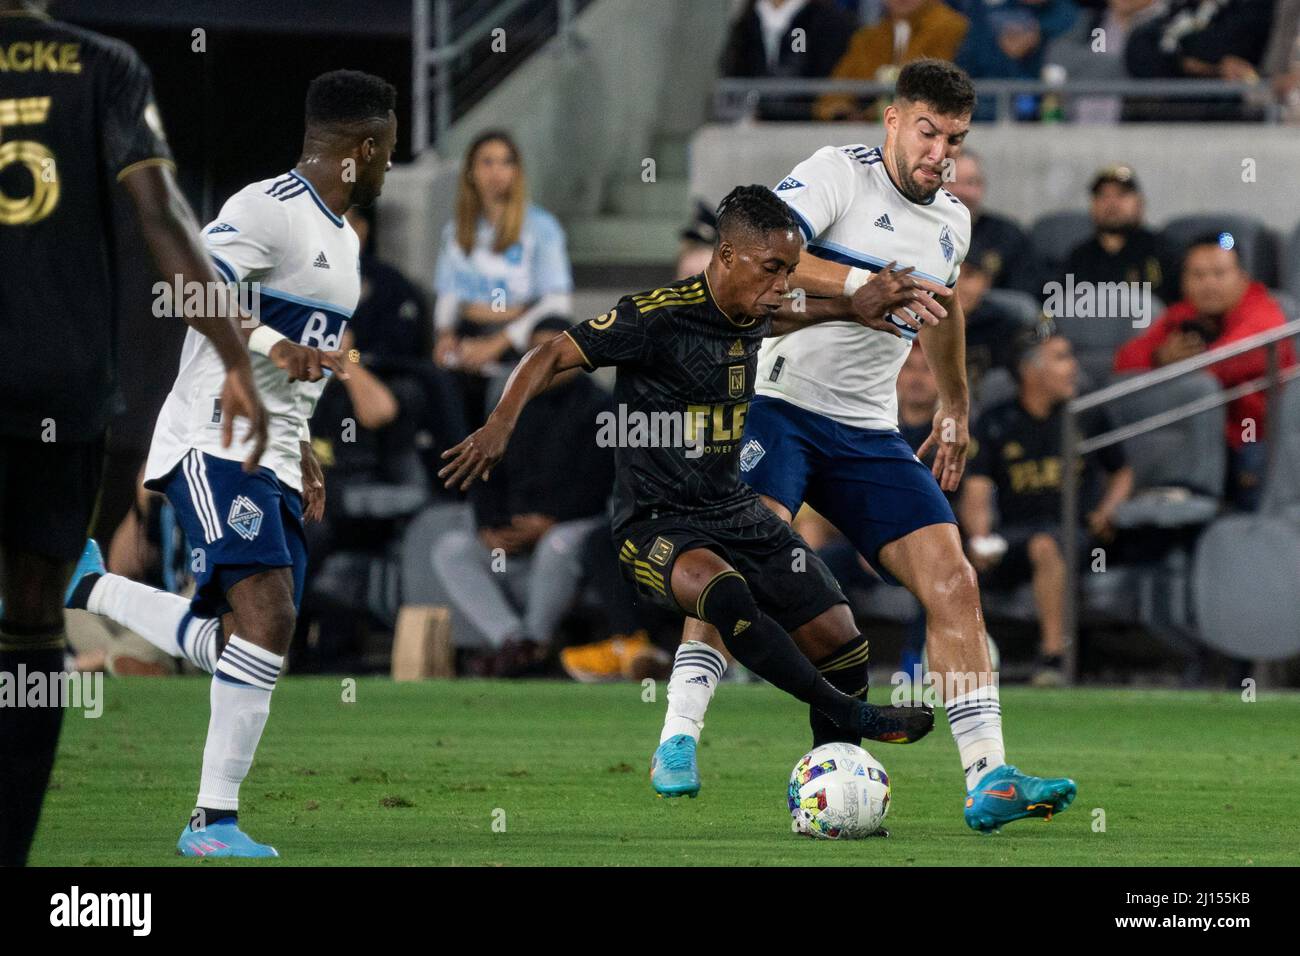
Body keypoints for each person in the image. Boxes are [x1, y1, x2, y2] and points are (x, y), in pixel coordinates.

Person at [652, 60, 1077, 834]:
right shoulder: (833, 175)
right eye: (927, 131)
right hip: (777, 404)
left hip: (867, 428)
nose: (939, 152)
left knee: (954, 579)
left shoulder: (953, 220)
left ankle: (989, 776)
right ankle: (678, 733)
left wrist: (953, 401)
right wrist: (857, 289)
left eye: (954, 138)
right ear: (892, 120)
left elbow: (941, 311)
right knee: (735, 561)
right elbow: (764, 254)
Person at [440, 186, 952, 827]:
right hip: (652, 523)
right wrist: (499, 425)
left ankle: (834, 789)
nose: (782, 284)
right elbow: (550, 354)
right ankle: (846, 718)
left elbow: (792, 311)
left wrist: (853, 305)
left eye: (790, 270)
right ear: (728, 255)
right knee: (725, 593)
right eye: (772, 268)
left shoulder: (755, 305)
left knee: (842, 642)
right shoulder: (656, 316)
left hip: (730, 507)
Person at [60, 69, 398, 858]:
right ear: (362, 149)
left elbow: (303, 369)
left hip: (275, 450)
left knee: (250, 640)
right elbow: (195, 288)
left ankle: (90, 586)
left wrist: (306, 453)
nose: (389, 166)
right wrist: (273, 343)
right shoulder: (264, 209)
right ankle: (211, 823)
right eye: (386, 151)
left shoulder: (345, 245)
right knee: (269, 617)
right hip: (214, 437)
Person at [0, 0, 271, 867]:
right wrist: (235, 353)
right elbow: (164, 221)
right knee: (34, 619)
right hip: (60, 383)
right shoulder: (101, 66)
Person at [429, 317, 615, 676]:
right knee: (451, 548)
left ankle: (536, 641)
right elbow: (485, 472)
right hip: (511, 534)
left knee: (558, 544)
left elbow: (601, 482)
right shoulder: (510, 405)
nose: (546, 362)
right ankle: (513, 642)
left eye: (554, 353)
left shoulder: (600, 406)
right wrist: (489, 526)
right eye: (536, 353)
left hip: (569, 527)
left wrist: (550, 523)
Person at [962, 330, 1134, 687]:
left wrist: (1108, 510)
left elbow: (1122, 471)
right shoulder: (996, 421)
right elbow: (976, 490)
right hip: (1014, 534)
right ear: (1029, 370)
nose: (1074, 367)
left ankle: (1054, 658)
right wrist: (979, 538)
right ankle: (949, 665)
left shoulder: (1084, 415)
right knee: (951, 559)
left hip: (1077, 534)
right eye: (1061, 358)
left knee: (1045, 544)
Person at [1114, 234, 1297, 510]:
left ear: (1242, 277)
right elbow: (1123, 362)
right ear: (1184, 281)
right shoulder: (1184, 314)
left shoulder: (1262, 313)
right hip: (1207, 445)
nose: (1208, 284)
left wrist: (1175, 365)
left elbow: (1225, 365)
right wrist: (1158, 356)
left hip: (1257, 444)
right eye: (1198, 275)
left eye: (1219, 274)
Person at [433, 131, 573, 424]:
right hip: (472, 328)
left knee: (553, 338)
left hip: (524, 328)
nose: (497, 172)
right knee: (439, 368)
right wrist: (445, 335)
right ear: (470, 172)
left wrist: (499, 342)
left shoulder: (541, 226)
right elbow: (448, 296)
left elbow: (558, 302)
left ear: (517, 171)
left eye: (506, 162)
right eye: (487, 162)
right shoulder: (456, 231)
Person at [813, 0, 969, 121]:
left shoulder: (952, 28)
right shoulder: (867, 38)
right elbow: (834, 93)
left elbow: (928, 84)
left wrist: (871, 114)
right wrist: (843, 113)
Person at [1059, 165, 1182, 310]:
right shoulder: (1079, 257)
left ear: (1140, 203)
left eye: (1121, 195)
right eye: (1103, 196)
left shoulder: (1164, 252)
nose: (1112, 203)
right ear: (1092, 205)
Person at [720, 0, 858, 120]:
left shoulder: (827, 20)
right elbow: (732, 71)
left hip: (808, 128)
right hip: (749, 128)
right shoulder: (745, 22)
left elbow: (826, 78)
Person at [944, 151, 1036, 294]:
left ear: (982, 187)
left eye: (970, 183)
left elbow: (1023, 297)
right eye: (951, 182)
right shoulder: (919, 231)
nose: (960, 191)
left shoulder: (1008, 235)